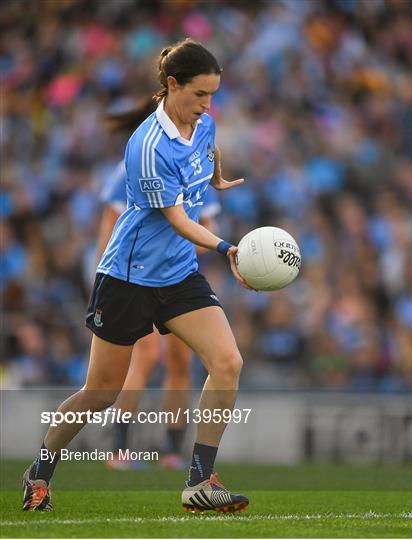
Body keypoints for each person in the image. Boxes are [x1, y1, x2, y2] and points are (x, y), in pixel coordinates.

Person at [23, 38, 252, 514]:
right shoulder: (146, 145)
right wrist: (229, 247)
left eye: (213, 95)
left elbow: (206, 152)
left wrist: (216, 179)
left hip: (178, 276)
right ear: (171, 85)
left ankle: (199, 482)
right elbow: (178, 221)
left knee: (228, 363)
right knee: (100, 393)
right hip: (129, 278)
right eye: (199, 95)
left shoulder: (204, 124)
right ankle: (40, 471)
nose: (207, 105)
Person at [98, 113, 222, 469]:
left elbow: (204, 222)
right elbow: (110, 231)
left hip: (176, 275)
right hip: (133, 277)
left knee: (181, 361)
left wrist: (187, 245)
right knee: (146, 355)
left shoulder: (194, 163)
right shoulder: (131, 166)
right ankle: (119, 448)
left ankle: (172, 450)